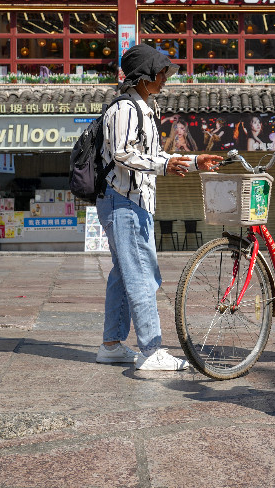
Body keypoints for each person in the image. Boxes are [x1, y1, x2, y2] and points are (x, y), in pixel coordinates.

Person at [95, 44, 222, 371]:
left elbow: (155, 156)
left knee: (124, 274)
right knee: (140, 273)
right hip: (123, 201)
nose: (165, 79)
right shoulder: (124, 110)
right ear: (142, 77)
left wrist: (194, 161)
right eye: (160, 73)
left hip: (130, 201)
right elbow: (123, 153)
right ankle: (151, 350)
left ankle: (111, 344)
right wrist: (164, 167)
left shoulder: (141, 109)